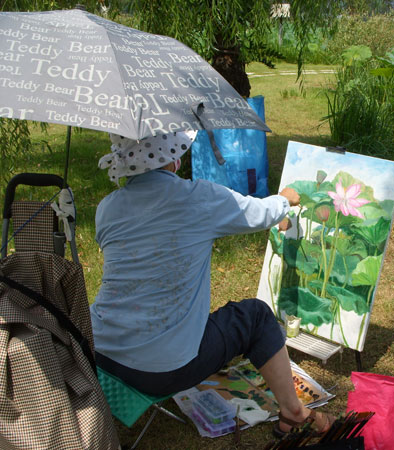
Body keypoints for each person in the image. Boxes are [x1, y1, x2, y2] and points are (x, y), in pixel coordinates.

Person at [91, 131, 334, 436]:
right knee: (256, 316)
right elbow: (257, 213)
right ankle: (294, 412)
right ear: (173, 157)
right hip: (161, 371)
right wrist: (284, 200)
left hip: (100, 354)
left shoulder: (108, 207)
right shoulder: (197, 198)